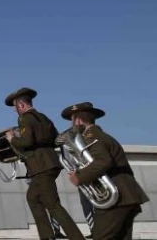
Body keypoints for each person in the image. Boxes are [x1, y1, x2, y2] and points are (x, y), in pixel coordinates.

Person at [4, 87, 84, 240]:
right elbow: (56, 140)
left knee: (53, 205)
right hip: (50, 163)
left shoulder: (24, 118)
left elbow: (26, 141)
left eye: (15, 107)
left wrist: (12, 139)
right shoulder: (44, 118)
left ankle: (76, 237)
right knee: (33, 198)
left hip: (40, 166)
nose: (15, 110)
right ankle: (47, 236)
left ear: (21, 105)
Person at [61, 102, 150, 240]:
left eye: (72, 121)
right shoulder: (102, 136)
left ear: (78, 120)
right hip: (126, 196)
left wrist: (79, 177)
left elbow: (103, 161)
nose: (71, 125)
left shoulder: (92, 138)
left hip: (117, 197)